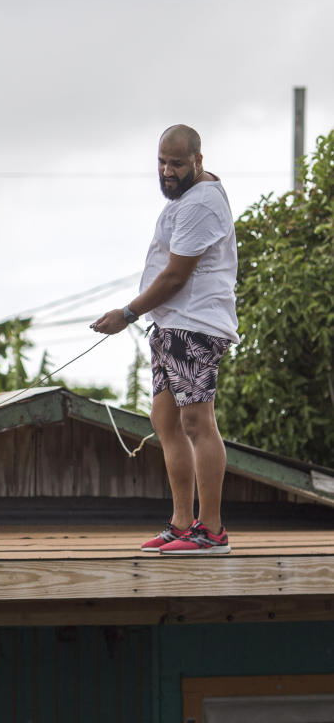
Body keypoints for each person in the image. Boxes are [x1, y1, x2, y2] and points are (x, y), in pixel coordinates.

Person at [91, 124, 239, 555]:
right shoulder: (190, 198)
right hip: (171, 324)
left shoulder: (201, 204)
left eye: (176, 163)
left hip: (194, 324)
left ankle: (211, 531)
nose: (167, 171)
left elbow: (176, 275)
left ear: (198, 161)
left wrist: (128, 313)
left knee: (197, 421)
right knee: (166, 421)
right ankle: (181, 523)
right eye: (162, 162)